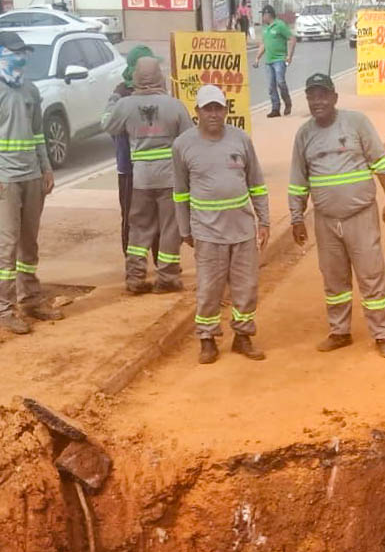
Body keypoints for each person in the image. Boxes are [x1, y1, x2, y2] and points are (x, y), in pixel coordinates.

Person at [288, 73, 385, 358]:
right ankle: (339, 331)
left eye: (323, 95)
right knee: (334, 280)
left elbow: (380, 161)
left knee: (371, 274)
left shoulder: (357, 122)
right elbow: (298, 180)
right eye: (312, 96)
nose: (317, 101)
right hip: (325, 220)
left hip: (360, 215)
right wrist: (296, 217)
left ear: (335, 98)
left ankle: (382, 334)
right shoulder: (304, 134)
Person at [0, 31, 62, 334]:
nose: (21, 57)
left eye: (24, 52)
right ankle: (2, 307)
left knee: (29, 243)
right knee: (4, 246)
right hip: (2, 181)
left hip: (31, 178)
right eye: (15, 52)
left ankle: (30, 298)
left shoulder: (30, 91)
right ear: (0, 53)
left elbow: (37, 135)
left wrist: (46, 169)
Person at [172, 85, 271, 364]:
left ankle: (243, 336)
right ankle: (207, 339)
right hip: (207, 231)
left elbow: (256, 184)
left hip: (241, 229)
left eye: (218, 108)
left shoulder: (241, 140)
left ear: (226, 110)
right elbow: (180, 193)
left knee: (246, 287)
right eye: (208, 108)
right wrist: (184, 229)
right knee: (208, 289)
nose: (214, 114)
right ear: (197, 112)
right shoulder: (182, 145)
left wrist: (264, 220)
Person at [102, 56, 193, 294]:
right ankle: (167, 277)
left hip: (141, 178)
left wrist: (113, 100)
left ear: (136, 78)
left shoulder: (125, 105)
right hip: (170, 177)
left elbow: (109, 126)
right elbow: (189, 140)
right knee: (170, 228)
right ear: (159, 76)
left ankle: (135, 278)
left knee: (139, 228)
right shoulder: (174, 105)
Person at [104, 45, 157, 255]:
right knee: (131, 215)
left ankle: (161, 260)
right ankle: (132, 260)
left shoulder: (156, 91)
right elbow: (107, 122)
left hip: (154, 166)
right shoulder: (120, 94)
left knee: (158, 214)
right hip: (128, 168)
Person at [255, 4, 294, 118]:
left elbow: (292, 39)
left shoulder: (280, 25)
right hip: (269, 61)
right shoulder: (265, 29)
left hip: (279, 59)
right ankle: (275, 108)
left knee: (280, 82)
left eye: (263, 15)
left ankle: (287, 102)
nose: (262, 17)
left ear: (268, 14)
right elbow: (264, 45)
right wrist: (257, 58)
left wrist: (289, 55)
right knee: (271, 86)